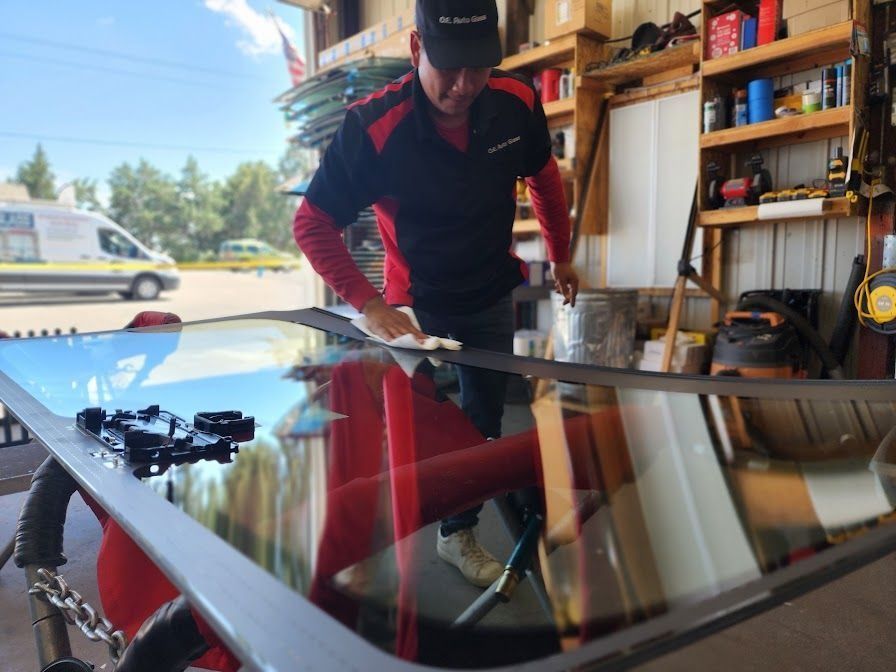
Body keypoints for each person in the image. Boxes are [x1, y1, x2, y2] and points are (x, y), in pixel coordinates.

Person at [293, 0, 579, 587]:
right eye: (449, 67)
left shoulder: (516, 102)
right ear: (417, 48)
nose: (464, 85)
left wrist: (561, 254)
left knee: (481, 427)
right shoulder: (373, 126)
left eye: (478, 67)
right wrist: (371, 306)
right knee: (403, 430)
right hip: (413, 303)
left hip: (488, 291)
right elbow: (313, 222)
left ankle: (457, 534)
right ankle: (368, 542)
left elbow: (545, 179)